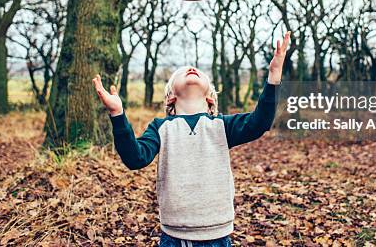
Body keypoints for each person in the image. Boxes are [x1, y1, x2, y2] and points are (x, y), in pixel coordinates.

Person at [92, 32, 291, 246]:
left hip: (218, 234)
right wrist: (118, 114)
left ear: (209, 98)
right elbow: (135, 158)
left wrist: (273, 77)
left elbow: (259, 123)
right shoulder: (161, 128)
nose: (191, 69)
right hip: (175, 236)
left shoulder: (221, 125)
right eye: (180, 72)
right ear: (170, 96)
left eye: (199, 72)